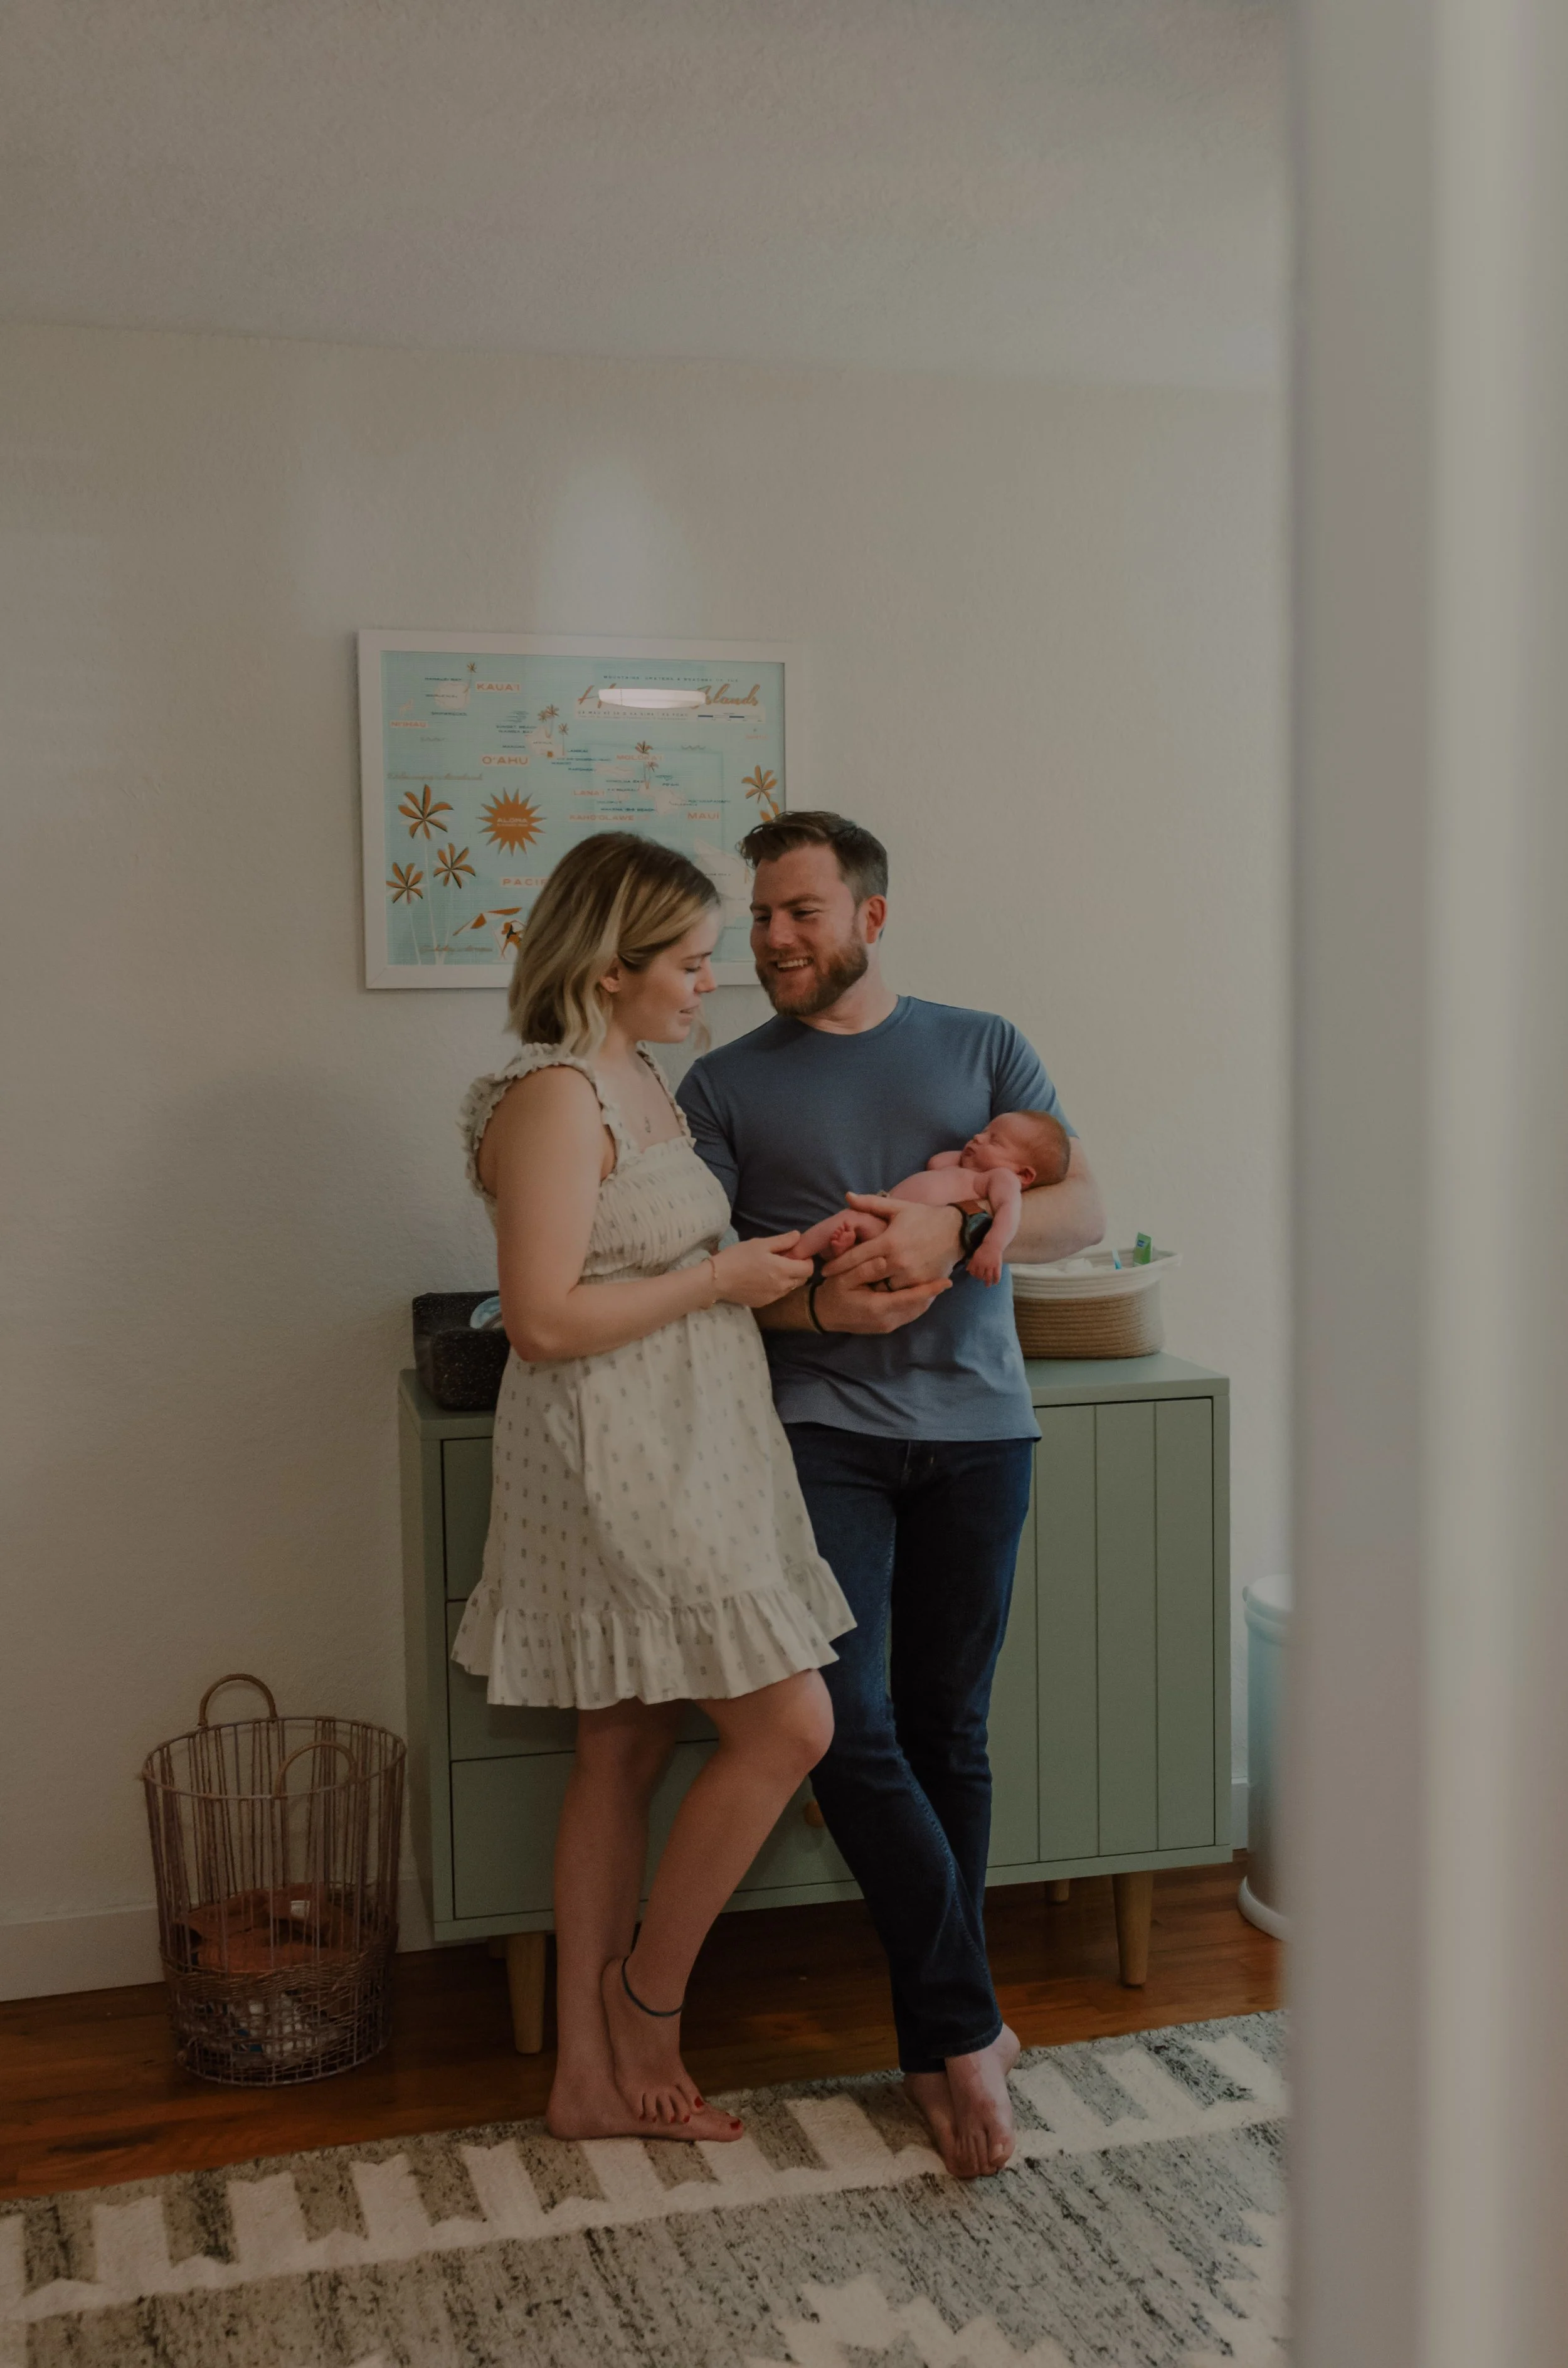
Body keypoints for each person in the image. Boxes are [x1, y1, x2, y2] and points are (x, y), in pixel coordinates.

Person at [677, 811, 1105, 2179]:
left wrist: (960, 1223)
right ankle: (964, 2019)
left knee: (946, 1728)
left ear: (871, 915)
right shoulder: (721, 1086)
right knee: (845, 1722)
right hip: (823, 1430)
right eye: (758, 917)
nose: (772, 939)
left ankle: (935, 2034)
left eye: (798, 911)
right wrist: (827, 1302)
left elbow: (1083, 1212)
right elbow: (708, 1294)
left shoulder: (982, 1046)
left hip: (981, 1431)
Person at [450, 832, 856, 2146]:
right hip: (618, 1457)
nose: (708, 983)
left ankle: (581, 2079)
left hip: (690, 1439)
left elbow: (655, 1254)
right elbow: (543, 1320)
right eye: (686, 962)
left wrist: (775, 1265)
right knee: (789, 1724)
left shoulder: (639, 1078)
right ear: (610, 965)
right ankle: (644, 2003)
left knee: (619, 1748)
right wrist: (719, 1281)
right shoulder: (556, 1095)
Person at [790, 1108, 1071, 1285]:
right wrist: (973, 1154)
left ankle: (794, 1256)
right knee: (844, 1229)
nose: (978, 1137)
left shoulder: (1000, 1178)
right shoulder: (965, 1170)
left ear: (1024, 1175)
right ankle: (835, 1250)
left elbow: (1010, 1210)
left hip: (907, 1235)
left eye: (994, 1140)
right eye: (983, 1132)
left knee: (849, 1219)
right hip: (886, 1218)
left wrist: (993, 1246)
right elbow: (936, 1162)